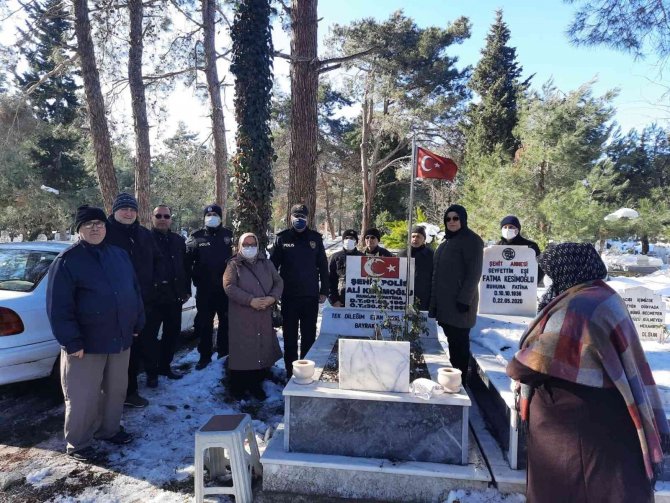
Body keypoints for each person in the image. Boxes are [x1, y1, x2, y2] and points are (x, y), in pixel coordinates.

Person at [506, 243, 669, 503]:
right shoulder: (602, 295)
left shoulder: (577, 309)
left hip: (575, 427)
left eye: (554, 272)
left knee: (574, 490)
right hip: (602, 418)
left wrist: (518, 362)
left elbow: (525, 366)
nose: (551, 280)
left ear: (569, 270)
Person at [46, 205, 145, 461]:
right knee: (83, 396)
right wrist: (71, 340)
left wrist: (137, 323)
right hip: (85, 344)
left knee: (115, 391)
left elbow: (133, 292)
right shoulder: (68, 261)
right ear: (79, 229)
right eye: (88, 224)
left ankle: (109, 430)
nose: (95, 228)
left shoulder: (119, 255)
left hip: (120, 337)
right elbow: (58, 307)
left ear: (106, 226)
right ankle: (78, 443)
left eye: (99, 223)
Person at [105, 192, 159, 408]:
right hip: (114, 303)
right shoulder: (105, 233)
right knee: (118, 351)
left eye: (132, 209)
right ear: (114, 211)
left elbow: (157, 260)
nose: (128, 213)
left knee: (138, 347)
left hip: (142, 300)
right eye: (123, 209)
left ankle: (131, 391)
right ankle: (113, 394)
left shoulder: (144, 234)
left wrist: (156, 285)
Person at [270, 204, 329, 377]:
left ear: (308, 218)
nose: (299, 219)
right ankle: (290, 372)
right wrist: (274, 292)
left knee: (309, 337)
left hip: (310, 296)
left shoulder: (315, 239)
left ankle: (305, 371)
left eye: (302, 216)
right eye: (296, 216)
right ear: (290, 217)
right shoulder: (282, 238)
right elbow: (273, 267)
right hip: (288, 296)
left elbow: (323, 267)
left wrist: (324, 290)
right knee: (289, 338)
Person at [223, 233, 283, 400]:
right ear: (240, 246)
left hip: (263, 314)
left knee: (260, 348)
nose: (249, 247)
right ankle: (238, 386)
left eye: (252, 243)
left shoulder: (266, 263)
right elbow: (229, 286)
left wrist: (272, 298)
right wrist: (250, 300)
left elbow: (279, 282)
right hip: (242, 315)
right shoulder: (234, 264)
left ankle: (256, 384)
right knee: (243, 350)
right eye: (246, 244)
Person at [429, 205, 484, 377]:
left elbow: (474, 273)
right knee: (452, 342)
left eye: (456, 218)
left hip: (459, 304)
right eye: (448, 219)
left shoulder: (472, 240)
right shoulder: (448, 240)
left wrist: (464, 299)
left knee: (459, 344)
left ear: (463, 219)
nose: (452, 222)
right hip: (445, 303)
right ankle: (453, 377)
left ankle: (460, 380)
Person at [143, 205, 191, 386]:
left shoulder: (178, 240)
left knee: (172, 335)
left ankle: (165, 367)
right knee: (149, 337)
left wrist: (186, 290)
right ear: (152, 218)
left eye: (166, 216)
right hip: (153, 299)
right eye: (159, 216)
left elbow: (185, 268)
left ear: (171, 219)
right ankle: (151, 372)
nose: (162, 219)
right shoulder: (145, 239)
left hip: (174, 297)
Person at [186, 204, 234, 370]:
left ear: (221, 217)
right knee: (205, 325)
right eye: (209, 214)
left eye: (215, 214)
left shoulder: (229, 236)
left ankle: (224, 354)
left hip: (225, 291)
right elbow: (187, 263)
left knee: (225, 323)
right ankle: (204, 357)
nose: (212, 216)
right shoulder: (196, 237)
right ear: (204, 217)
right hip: (205, 291)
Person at [497, 215, 544, 284]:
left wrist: (531, 285)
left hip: (523, 288)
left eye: (511, 227)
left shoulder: (531, 246)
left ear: (518, 229)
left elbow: (540, 267)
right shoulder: (497, 246)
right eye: (505, 227)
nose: (507, 229)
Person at [398, 225, 433, 311]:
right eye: (413, 236)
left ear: (424, 239)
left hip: (424, 295)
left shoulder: (431, 254)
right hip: (404, 293)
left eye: (418, 237)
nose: (415, 239)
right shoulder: (402, 254)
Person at [328, 229, 363, 307]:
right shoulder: (335, 257)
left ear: (356, 242)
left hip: (360, 301)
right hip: (340, 301)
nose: (349, 240)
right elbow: (330, 280)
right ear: (343, 241)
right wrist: (334, 300)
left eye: (352, 238)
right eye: (346, 238)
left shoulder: (363, 257)